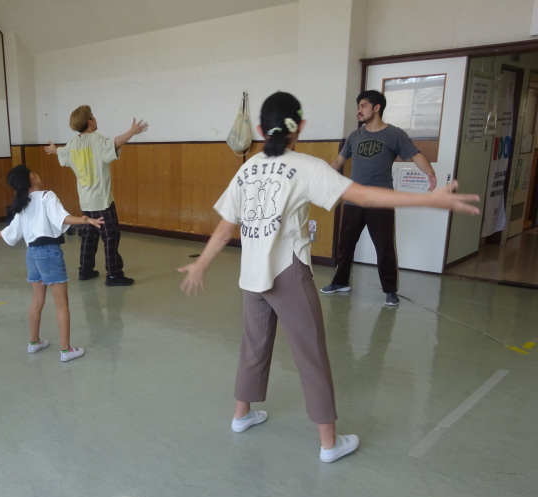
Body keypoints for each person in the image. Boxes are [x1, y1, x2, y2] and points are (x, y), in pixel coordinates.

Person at [177, 92, 479, 463]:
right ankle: (329, 444)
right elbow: (365, 196)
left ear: (259, 129)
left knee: (253, 347)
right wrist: (429, 200)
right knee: (311, 355)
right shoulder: (306, 166)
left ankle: (242, 415)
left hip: (251, 275)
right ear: (299, 127)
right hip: (287, 272)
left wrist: (201, 263)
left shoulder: (247, 167)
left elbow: (225, 229)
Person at [0, 165, 104, 362]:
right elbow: (62, 218)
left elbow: (11, 233)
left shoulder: (22, 204)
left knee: (37, 301)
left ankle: (34, 342)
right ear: (31, 177)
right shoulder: (46, 196)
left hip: (32, 254)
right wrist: (84, 219)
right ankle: (66, 350)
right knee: (62, 304)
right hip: (49, 253)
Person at [320, 89, 437, 306]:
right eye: (358, 107)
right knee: (345, 245)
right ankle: (340, 282)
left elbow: (416, 155)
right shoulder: (355, 137)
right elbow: (338, 163)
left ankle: (390, 290)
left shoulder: (394, 134)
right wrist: (317, 176)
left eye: (363, 106)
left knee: (384, 247)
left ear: (377, 108)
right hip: (353, 200)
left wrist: (429, 172)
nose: (359, 111)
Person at [44, 106, 147, 286]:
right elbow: (115, 143)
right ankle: (114, 275)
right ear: (90, 121)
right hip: (102, 201)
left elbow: (62, 153)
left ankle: (85, 270)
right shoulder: (98, 141)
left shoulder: (72, 144)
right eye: (93, 116)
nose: (95, 119)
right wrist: (132, 131)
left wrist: (54, 150)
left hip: (86, 201)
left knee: (89, 235)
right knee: (110, 237)